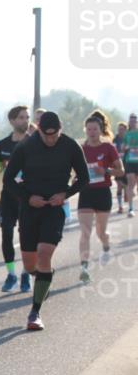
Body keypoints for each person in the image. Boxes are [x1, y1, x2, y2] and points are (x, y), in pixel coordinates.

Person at [3, 112, 89, 331]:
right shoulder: (25, 146)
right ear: (39, 130)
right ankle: (44, 276)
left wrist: (65, 194)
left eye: (54, 135)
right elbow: (8, 179)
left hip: (54, 209)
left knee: (44, 253)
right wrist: (27, 198)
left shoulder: (70, 146)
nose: (51, 139)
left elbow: (84, 178)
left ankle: (35, 313)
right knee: (30, 265)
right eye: (46, 135)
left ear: (60, 129)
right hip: (30, 209)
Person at [77, 111, 124, 283]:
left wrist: (105, 170)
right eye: (89, 129)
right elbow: (72, 170)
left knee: (100, 231)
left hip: (103, 192)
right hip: (86, 193)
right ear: (85, 130)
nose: (92, 132)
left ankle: (106, 244)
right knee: (85, 232)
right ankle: (84, 268)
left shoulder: (108, 148)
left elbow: (121, 171)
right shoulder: (81, 150)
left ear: (100, 130)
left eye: (95, 129)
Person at [0, 105, 33, 293]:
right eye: (21, 117)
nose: (25, 120)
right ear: (12, 121)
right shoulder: (3, 144)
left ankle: (26, 274)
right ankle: (11, 275)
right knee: (6, 234)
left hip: (27, 196)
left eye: (27, 117)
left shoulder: (34, 143)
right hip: (8, 196)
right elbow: (0, 165)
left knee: (27, 236)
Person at [122, 113, 138, 218]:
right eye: (131, 121)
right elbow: (123, 147)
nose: (132, 123)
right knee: (130, 184)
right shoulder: (127, 134)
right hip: (129, 161)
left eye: (134, 121)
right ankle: (131, 208)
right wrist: (126, 147)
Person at [113, 121, 128, 214]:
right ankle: (120, 206)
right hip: (118, 165)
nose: (120, 131)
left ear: (125, 130)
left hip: (127, 164)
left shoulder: (128, 139)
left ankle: (126, 190)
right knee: (119, 185)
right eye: (119, 129)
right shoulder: (115, 140)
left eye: (122, 129)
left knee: (126, 185)